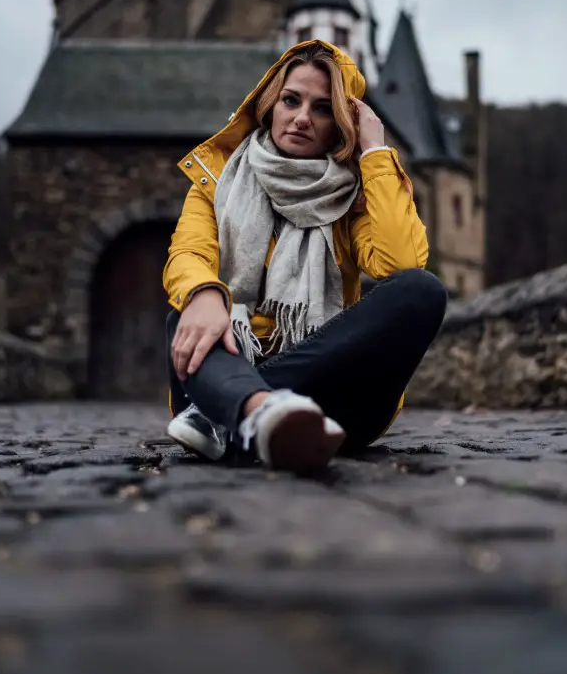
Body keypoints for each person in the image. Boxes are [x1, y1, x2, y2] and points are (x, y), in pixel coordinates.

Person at [162, 40, 447, 472]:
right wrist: (203, 293)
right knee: (183, 312)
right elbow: (189, 252)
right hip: (230, 363)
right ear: (268, 105)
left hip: (335, 397)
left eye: (322, 108)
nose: (300, 118)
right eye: (290, 100)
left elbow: (401, 264)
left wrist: (373, 152)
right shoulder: (216, 181)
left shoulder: (353, 199)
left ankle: (229, 415)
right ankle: (257, 413)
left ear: (341, 125)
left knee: (421, 291)